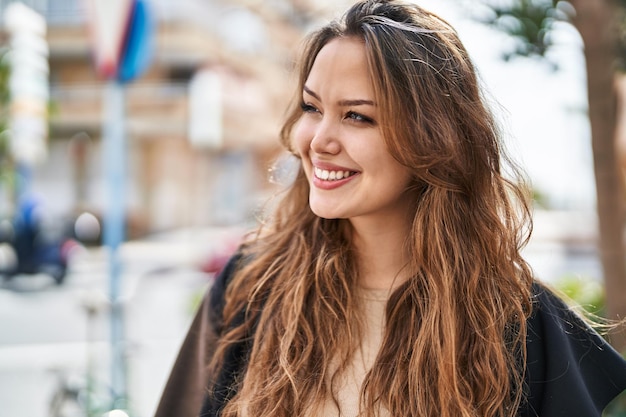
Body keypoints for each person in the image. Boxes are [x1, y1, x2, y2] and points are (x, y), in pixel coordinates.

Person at [154, 1, 626, 416]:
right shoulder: (249, 290)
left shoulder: (518, 323)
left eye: (357, 116)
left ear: (433, 139)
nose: (319, 140)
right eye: (311, 107)